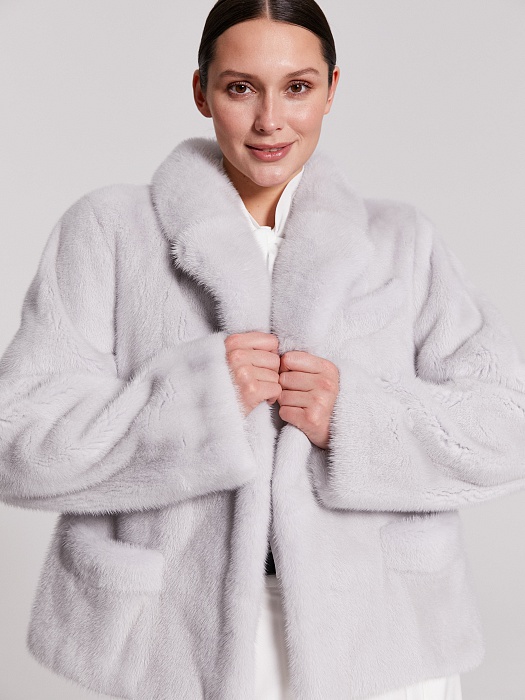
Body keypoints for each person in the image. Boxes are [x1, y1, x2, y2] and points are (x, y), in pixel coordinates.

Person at [0, 0, 524, 698]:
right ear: (201, 91)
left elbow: (507, 426)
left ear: (332, 90)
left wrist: (357, 420)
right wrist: (190, 408)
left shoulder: (402, 242)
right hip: (173, 641)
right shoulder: (110, 231)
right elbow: (17, 442)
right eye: (241, 87)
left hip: (382, 638)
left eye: (297, 87)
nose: (270, 120)